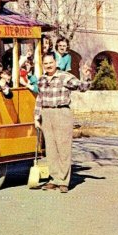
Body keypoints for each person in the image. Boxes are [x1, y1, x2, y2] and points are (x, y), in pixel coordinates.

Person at [34, 53, 92, 193]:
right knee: (51, 149)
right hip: (46, 114)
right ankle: (54, 178)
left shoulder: (65, 76)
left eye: (51, 62)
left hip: (62, 112)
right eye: (46, 63)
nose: (49, 65)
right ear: (43, 65)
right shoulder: (41, 79)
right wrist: (36, 117)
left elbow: (82, 87)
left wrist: (85, 76)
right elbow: (39, 98)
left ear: (56, 62)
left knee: (63, 148)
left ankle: (63, 181)